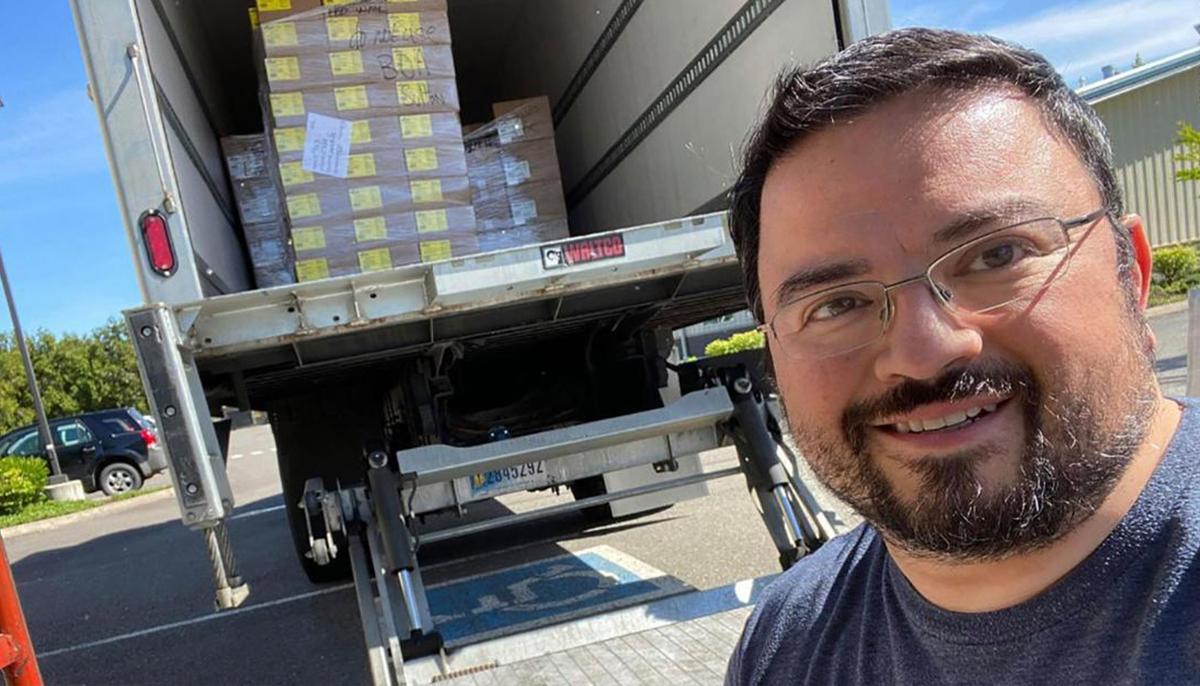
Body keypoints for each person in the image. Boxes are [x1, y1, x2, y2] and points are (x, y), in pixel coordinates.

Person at [724, 27, 1199, 685]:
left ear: (1133, 275)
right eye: (835, 304)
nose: (922, 351)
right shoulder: (785, 647)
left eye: (996, 255)